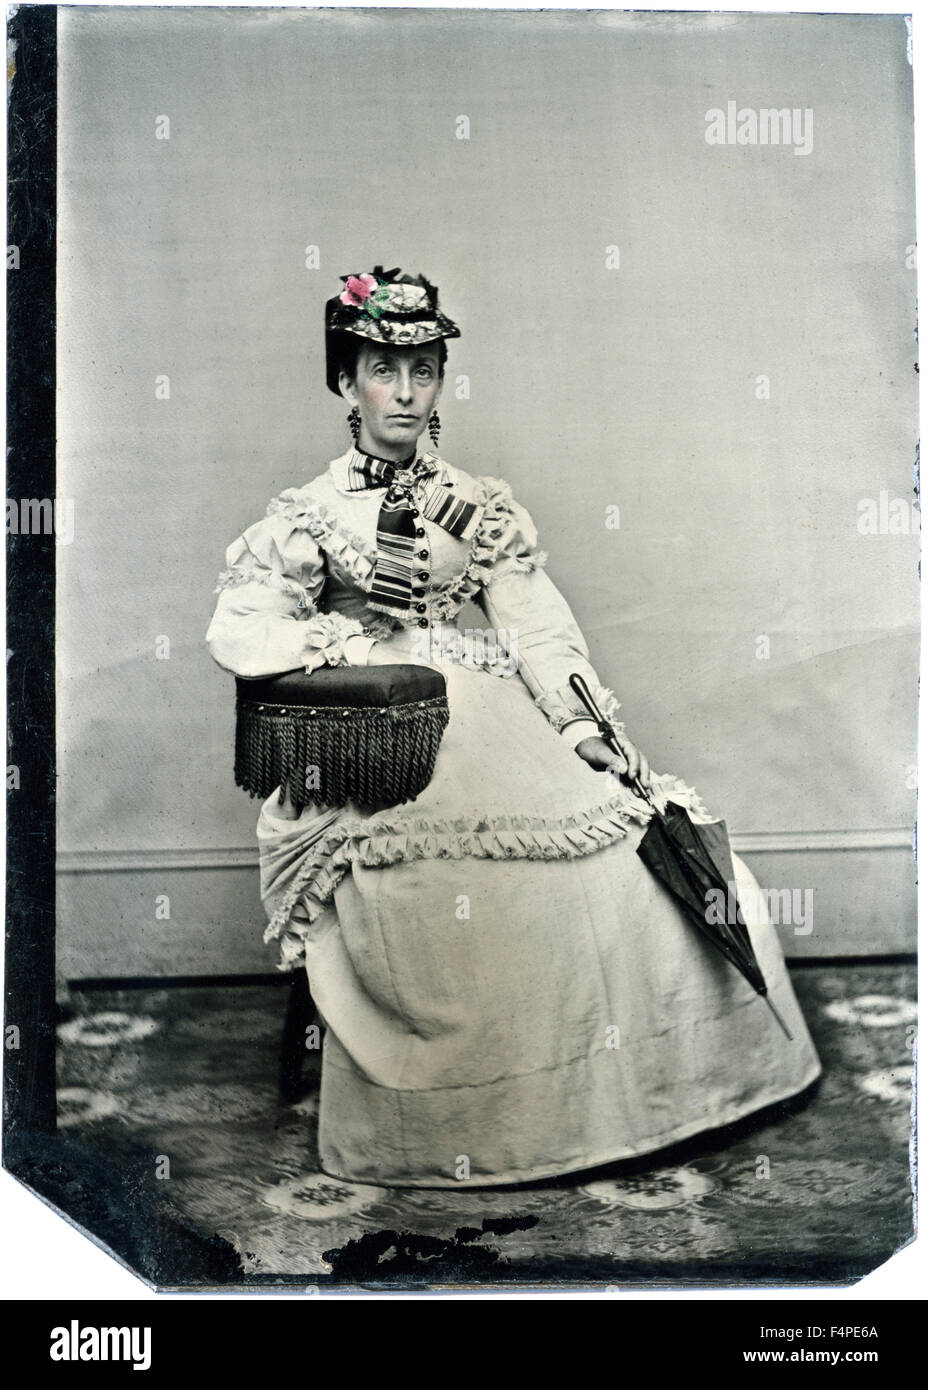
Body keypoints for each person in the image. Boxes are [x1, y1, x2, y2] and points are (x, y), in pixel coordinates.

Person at [206, 266, 821, 1188]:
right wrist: (344, 640)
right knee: (463, 896)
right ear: (346, 382)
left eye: (424, 370)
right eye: (384, 369)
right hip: (383, 731)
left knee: (630, 853)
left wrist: (581, 729)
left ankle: (648, 1104)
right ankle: (485, 1128)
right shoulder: (306, 515)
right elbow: (240, 628)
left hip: (491, 705)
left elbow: (537, 633)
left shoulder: (481, 508)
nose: (406, 393)